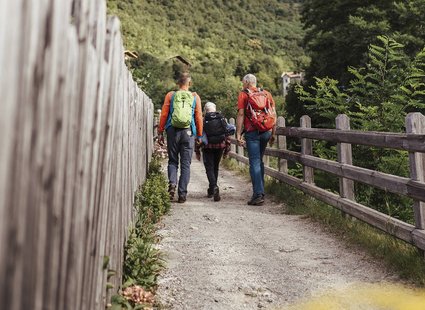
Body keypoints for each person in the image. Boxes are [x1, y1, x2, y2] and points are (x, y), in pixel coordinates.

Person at [158, 73, 203, 203]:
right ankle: (182, 194)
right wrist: (199, 135)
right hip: (188, 132)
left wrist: (160, 132)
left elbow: (164, 115)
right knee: (186, 164)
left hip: (172, 131)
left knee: (172, 161)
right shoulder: (195, 97)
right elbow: (198, 117)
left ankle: (172, 183)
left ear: (178, 83)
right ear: (190, 84)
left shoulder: (171, 95)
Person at [236, 74, 276, 206]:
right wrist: (273, 133)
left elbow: (241, 114)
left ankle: (258, 194)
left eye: (243, 83)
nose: (242, 85)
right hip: (266, 131)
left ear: (247, 83)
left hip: (252, 132)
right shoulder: (266, 94)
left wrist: (238, 134)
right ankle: (261, 190)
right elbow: (273, 114)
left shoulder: (243, 95)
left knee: (254, 161)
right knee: (259, 160)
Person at [195, 102, 232, 202]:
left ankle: (214, 187)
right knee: (215, 167)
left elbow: (198, 136)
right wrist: (227, 149)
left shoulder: (203, 119)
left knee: (209, 168)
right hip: (220, 146)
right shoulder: (221, 118)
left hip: (207, 147)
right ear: (215, 109)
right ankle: (212, 189)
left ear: (205, 110)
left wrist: (197, 150)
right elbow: (227, 134)